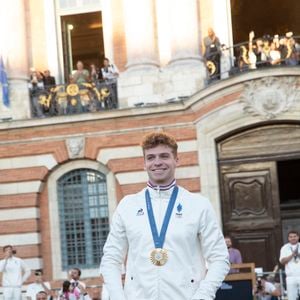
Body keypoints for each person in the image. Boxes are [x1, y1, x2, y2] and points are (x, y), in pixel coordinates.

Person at [100, 131, 230, 300]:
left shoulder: (198, 205)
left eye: (164, 156)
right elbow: (111, 259)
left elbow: (220, 258)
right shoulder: (128, 206)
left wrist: (203, 296)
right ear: (144, 163)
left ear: (176, 160)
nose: (157, 162)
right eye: (151, 158)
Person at [279, 230, 300, 300]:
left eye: (294, 236)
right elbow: (282, 261)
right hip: (290, 277)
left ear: (298, 237)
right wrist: (292, 255)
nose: (293, 238)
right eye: (291, 237)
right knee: (291, 297)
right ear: (288, 238)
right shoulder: (284, 247)